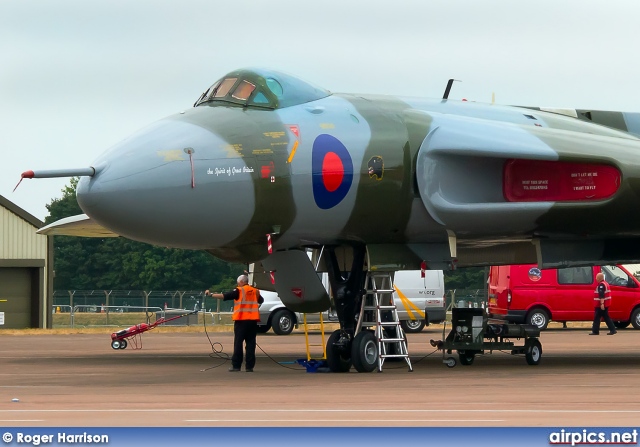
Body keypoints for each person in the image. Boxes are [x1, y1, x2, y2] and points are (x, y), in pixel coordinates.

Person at [205, 275, 264, 372]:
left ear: (241, 282)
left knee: (238, 344)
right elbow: (261, 300)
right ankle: (249, 367)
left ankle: (236, 365)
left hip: (241, 321)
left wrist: (211, 294)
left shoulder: (239, 291)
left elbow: (225, 296)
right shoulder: (255, 291)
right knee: (251, 344)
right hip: (253, 321)